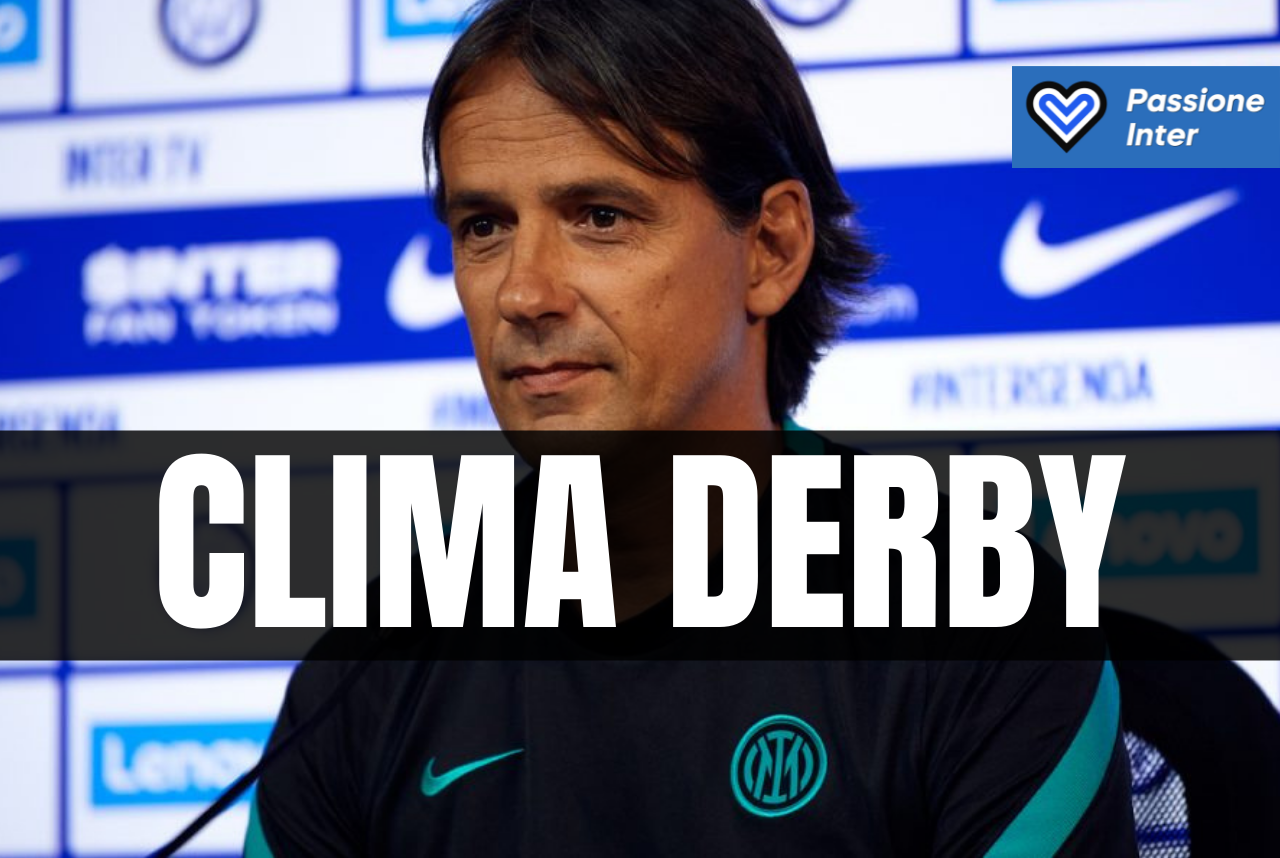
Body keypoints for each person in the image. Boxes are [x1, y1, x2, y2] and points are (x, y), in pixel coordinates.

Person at [247, 0, 1136, 854]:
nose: (523, 292)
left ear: (771, 249)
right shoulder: (367, 675)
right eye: (484, 226)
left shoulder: (986, 627)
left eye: (600, 217)